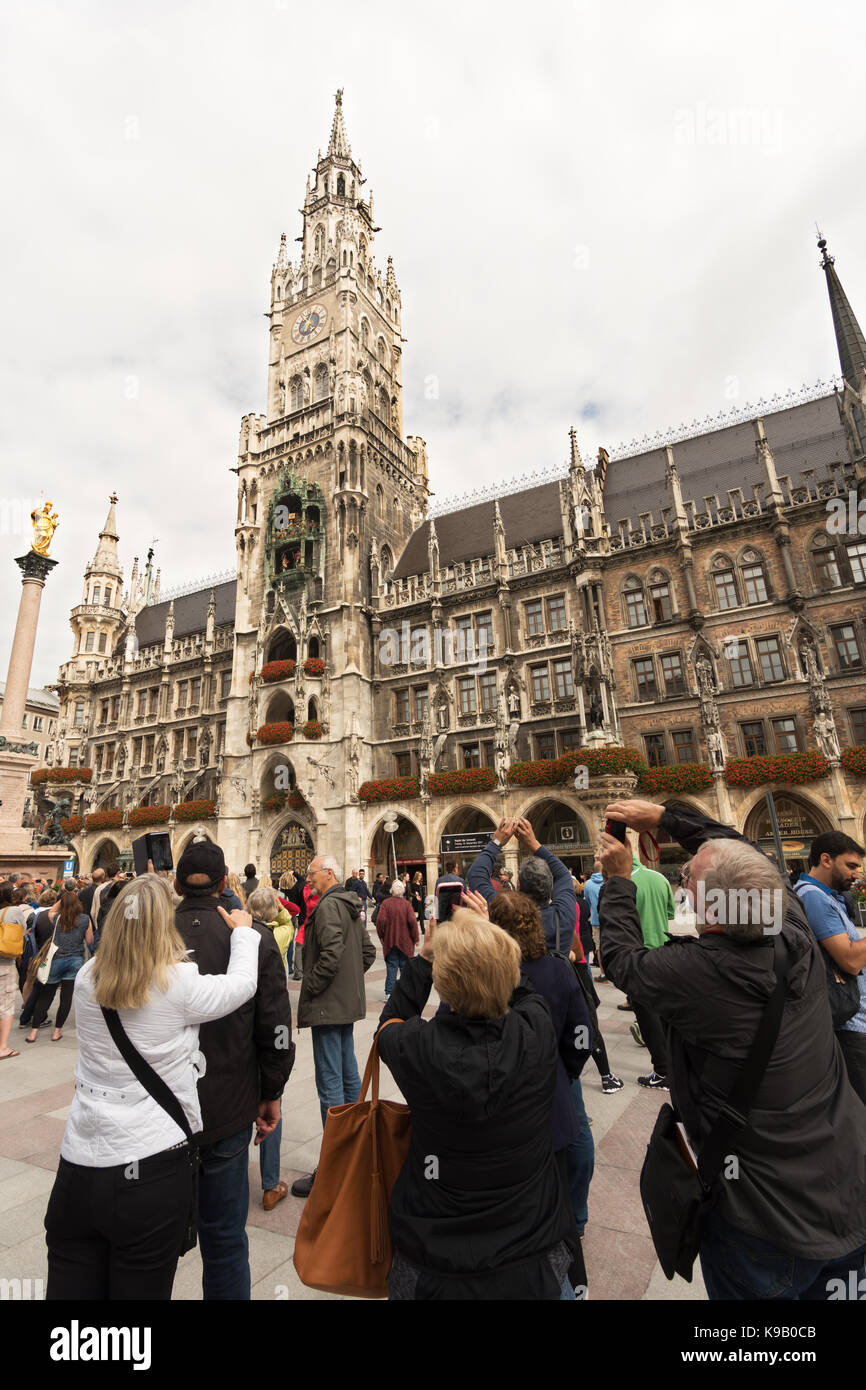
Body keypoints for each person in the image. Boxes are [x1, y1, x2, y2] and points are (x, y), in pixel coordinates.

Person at [598, 796, 866, 1301]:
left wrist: (617, 881)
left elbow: (622, 961)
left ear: (710, 907)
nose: (683, 890)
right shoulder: (794, 933)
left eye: (688, 885)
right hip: (847, 1189)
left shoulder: (699, 973)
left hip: (763, 1223)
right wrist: (666, 819)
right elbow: (744, 853)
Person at [43, 873, 259, 1300]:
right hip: (150, 1167)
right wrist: (245, 934)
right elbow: (242, 985)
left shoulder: (88, 979)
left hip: (80, 1165)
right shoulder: (177, 983)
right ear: (165, 926)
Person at [377, 908, 581, 1299]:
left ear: (444, 985)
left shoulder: (417, 1048)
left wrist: (422, 960)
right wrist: (490, 938)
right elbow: (525, 991)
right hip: (533, 1257)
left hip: (434, 1263)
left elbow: (391, 1021)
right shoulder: (536, 1032)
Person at [173, 840, 294, 1299]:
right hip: (227, 1108)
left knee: (154, 1243)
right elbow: (275, 1028)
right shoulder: (254, 938)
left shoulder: (149, 934)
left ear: (178, 885)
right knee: (224, 1239)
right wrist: (272, 1091)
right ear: (225, 884)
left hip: (160, 1118)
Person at [466, 888, 594, 1243]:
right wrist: (564, 1072)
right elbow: (582, 1034)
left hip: (500, 1108)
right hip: (552, 1099)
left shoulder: (484, 972)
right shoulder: (557, 967)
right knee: (560, 1186)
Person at [290, 856, 375, 1199]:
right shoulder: (351, 904)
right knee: (348, 1074)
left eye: (311, 874)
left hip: (327, 1006)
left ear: (329, 873)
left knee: (330, 1083)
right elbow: (366, 952)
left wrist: (312, 985)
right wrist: (349, 982)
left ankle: (334, 1166)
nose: (308, 880)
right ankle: (355, 1150)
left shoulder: (327, 907)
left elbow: (332, 954)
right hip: (346, 1005)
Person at [794, 830, 866, 1104]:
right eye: (850, 866)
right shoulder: (814, 897)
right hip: (851, 1025)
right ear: (826, 859)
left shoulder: (826, 897)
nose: (856, 874)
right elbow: (849, 959)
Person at [246, 884, 294, 1212]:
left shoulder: (240, 938)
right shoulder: (279, 937)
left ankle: (228, 1183)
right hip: (267, 1037)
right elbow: (276, 1010)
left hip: (239, 1038)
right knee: (270, 1104)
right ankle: (269, 1184)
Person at [467, 818, 575, 953]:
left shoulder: (504, 914)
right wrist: (534, 844)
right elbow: (564, 875)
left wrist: (496, 842)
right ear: (551, 887)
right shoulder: (563, 914)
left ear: (518, 887)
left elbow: (476, 874)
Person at [25, 889, 94, 1043]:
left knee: (46, 995)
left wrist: (63, 900)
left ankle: (33, 1033)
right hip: (75, 960)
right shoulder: (84, 919)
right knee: (66, 997)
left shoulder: (56, 918)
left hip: (56, 959)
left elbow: (51, 910)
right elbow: (89, 941)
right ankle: (57, 1031)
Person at [0, 881, 35, 1059]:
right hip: (4, 964)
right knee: (5, 1006)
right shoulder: (12, 911)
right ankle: (3, 1047)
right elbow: (21, 933)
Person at [375, 879, 419, 999]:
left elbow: (380, 921)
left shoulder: (386, 903)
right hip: (405, 942)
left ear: (391, 891)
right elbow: (412, 922)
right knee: (405, 968)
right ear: (403, 891)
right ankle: (405, 992)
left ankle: (389, 993)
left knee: (391, 966)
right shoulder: (407, 904)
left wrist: (382, 935)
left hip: (390, 941)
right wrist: (416, 938)